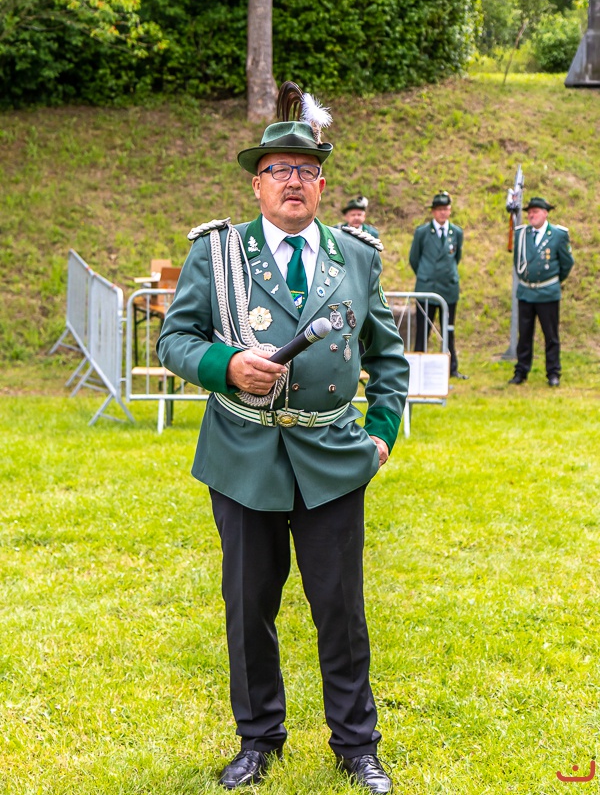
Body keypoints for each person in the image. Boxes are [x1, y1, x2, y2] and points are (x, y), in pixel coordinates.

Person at [157, 84, 409, 794]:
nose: (292, 181)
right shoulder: (219, 254)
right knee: (249, 609)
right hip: (243, 455)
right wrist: (226, 365)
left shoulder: (355, 255)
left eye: (305, 169)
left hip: (332, 457)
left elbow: (388, 356)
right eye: (278, 170)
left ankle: (356, 746)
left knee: (340, 610)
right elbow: (175, 339)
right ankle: (258, 739)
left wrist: (382, 435)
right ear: (258, 183)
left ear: (321, 184)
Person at [508, 196, 574, 387]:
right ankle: (521, 371)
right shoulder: (522, 234)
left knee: (551, 336)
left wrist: (552, 281)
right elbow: (518, 261)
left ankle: (553, 372)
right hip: (526, 292)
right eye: (529, 212)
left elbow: (566, 263)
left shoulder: (558, 235)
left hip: (547, 293)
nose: (531, 215)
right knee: (524, 335)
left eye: (535, 212)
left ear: (545, 214)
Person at [408, 191, 467, 379]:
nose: (443, 213)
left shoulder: (456, 232)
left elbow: (456, 257)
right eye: (439, 209)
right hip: (427, 288)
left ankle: (452, 368)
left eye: (446, 209)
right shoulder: (422, 232)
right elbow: (414, 258)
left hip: (448, 288)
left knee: (448, 330)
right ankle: (417, 368)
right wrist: (426, 275)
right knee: (422, 331)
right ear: (433, 212)